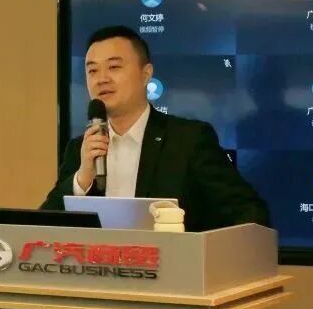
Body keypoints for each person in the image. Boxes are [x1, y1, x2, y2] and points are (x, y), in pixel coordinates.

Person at [41, 26, 269, 232]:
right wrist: (82, 180)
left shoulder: (189, 141)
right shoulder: (80, 149)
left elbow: (250, 213)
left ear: (146, 74)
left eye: (114, 67)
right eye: (92, 71)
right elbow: (41, 228)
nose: (101, 79)